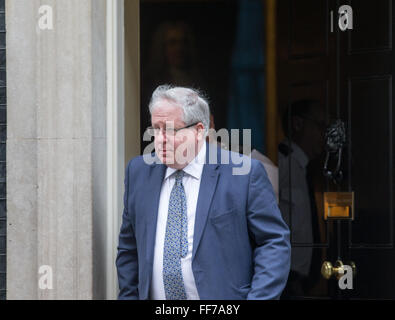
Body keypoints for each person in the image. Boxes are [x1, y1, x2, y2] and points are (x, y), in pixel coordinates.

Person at [116, 85, 291, 300]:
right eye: (155, 129)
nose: (159, 139)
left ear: (199, 130)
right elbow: (128, 248)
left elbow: (273, 243)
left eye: (169, 130)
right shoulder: (139, 172)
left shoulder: (243, 174)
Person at [278, 99, 326, 298]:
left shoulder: (305, 170)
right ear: (298, 124)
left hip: (301, 284)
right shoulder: (280, 165)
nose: (325, 135)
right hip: (284, 282)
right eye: (320, 126)